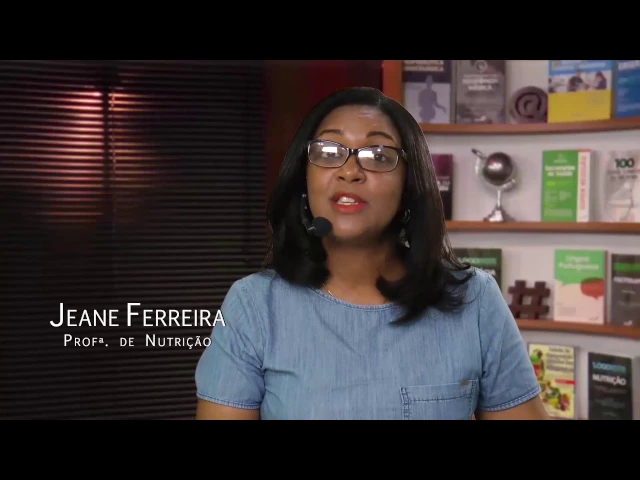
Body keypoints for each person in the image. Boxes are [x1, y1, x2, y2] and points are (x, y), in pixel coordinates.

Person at [194, 86, 548, 420]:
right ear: (304, 179)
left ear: (409, 184)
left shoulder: (474, 300)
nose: (350, 171)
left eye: (378, 156)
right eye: (329, 152)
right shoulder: (254, 305)